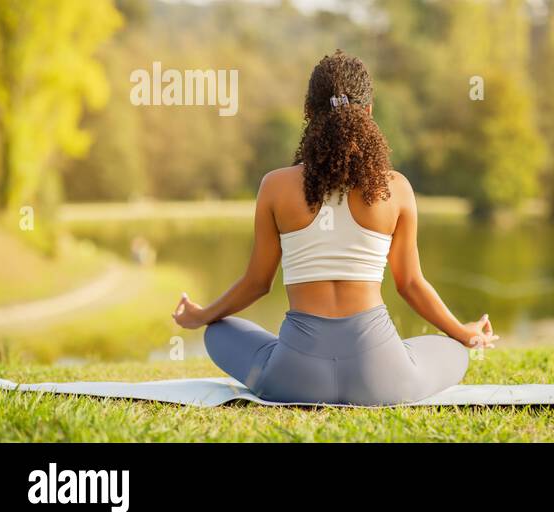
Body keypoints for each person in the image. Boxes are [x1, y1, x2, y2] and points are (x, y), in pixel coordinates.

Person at [171, 50, 497, 405]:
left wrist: (202, 315)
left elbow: (257, 283)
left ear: (309, 114)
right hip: (381, 379)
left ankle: (267, 356)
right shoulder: (397, 188)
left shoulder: (274, 186)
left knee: (218, 331)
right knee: (454, 350)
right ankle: (411, 354)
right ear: (369, 112)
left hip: (293, 379)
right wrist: (463, 333)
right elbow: (411, 284)